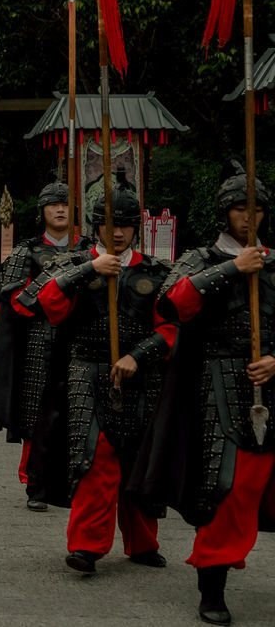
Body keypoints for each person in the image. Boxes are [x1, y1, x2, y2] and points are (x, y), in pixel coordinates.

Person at [134, 164, 275, 624]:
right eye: (239, 208)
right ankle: (212, 585)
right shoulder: (200, 258)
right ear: (224, 212)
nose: (248, 217)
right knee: (224, 485)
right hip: (215, 379)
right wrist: (234, 267)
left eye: (256, 209)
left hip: (269, 380)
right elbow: (173, 303)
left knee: (258, 483)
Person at [16, 180, 171, 575]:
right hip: (86, 373)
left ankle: (142, 542)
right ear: (96, 226)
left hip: (141, 375)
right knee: (94, 457)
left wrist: (138, 355)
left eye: (125, 225)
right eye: (108, 224)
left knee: (137, 457)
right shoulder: (73, 265)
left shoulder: (156, 272)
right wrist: (88, 268)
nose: (116, 233)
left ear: (136, 227)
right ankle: (87, 544)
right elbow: (47, 306)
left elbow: (171, 327)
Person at [0, 181, 90, 511]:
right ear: (42, 211)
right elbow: (13, 298)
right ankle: (36, 484)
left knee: (79, 412)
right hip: (37, 341)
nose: (60, 209)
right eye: (53, 204)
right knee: (36, 413)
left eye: (65, 204)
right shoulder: (25, 252)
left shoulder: (89, 250)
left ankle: (75, 483)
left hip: (80, 339)